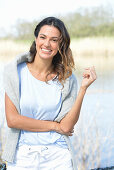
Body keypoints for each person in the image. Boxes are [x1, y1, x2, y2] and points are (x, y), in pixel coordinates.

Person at [2, 17, 97, 170]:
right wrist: (54, 125)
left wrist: (83, 89)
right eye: (43, 37)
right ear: (36, 39)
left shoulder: (67, 80)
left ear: (60, 44)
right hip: (22, 155)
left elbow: (65, 128)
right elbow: (13, 120)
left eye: (54, 40)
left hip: (58, 155)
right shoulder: (14, 72)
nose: (47, 44)